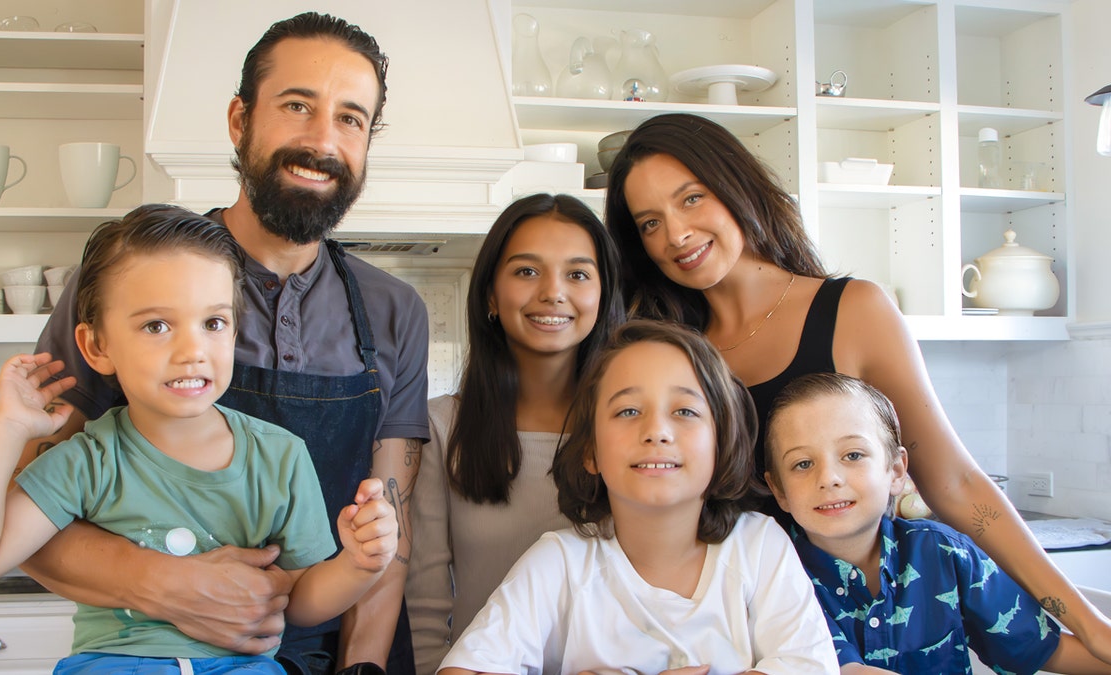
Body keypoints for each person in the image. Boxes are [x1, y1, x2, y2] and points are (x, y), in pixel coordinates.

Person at [603, 112, 1111, 661]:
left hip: (867, 628)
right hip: (729, 632)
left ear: (735, 185)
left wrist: (1091, 624)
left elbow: (957, 482)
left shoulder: (855, 310)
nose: (676, 234)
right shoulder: (666, 351)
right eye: (649, 223)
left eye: (692, 198)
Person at [20, 12, 429, 675]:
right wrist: (168, 583)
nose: (323, 140)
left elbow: (391, 529)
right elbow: (24, 518)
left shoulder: (393, 311)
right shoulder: (132, 280)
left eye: (351, 118)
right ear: (240, 121)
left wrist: (361, 669)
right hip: (159, 652)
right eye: (298, 106)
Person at [0, 205, 398, 674]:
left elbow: (298, 601)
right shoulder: (88, 460)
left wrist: (357, 566)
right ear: (97, 347)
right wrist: (6, 428)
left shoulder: (280, 456)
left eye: (213, 323)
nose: (191, 351)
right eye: (156, 326)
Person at [438, 319, 838, 675]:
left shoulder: (758, 546)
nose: (657, 431)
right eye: (628, 411)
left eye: (684, 411)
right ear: (591, 451)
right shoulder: (560, 563)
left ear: (722, 444)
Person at [405, 193, 624, 675]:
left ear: (604, 295)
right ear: (489, 294)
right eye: (527, 271)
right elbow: (425, 608)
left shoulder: (635, 431)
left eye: (578, 274)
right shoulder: (442, 428)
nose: (553, 292)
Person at [764, 372, 1111, 674]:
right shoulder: (773, 575)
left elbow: (1042, 650)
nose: (830, 478)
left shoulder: (946, 553)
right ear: (778, 490)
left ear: (897, 471)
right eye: (803, 464)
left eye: (853, 455)